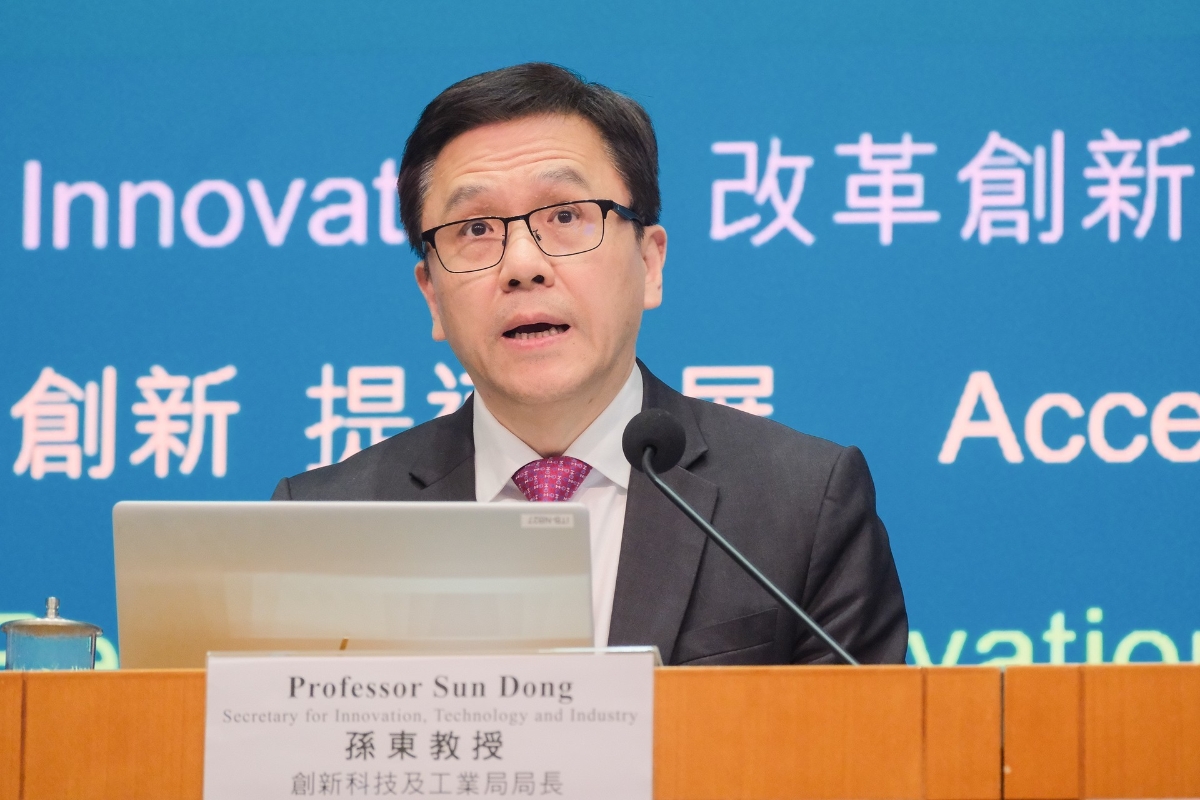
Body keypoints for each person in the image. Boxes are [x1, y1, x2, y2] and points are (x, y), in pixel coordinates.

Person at [273, 63, 907, 665]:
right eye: (475, 229)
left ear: (650, 262)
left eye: (566, 216)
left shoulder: (801, 504)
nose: (522, 265)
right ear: (432, 296)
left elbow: (859, 738)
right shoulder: (323, 527)